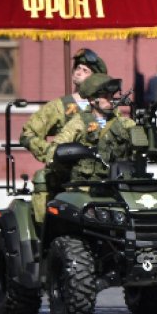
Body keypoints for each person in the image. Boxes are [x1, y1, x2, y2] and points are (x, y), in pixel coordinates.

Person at [19, 48, 108, 223]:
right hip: (68, 172)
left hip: (102, 170)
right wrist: (53, 152)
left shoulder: (105, 105)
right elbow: (28, 133)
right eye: (78, 68)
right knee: (42, 179)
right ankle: (43, 232)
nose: (79, 72)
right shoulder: (60, 106)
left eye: (85, 70)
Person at [44, 73, 136, 187]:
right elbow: (53, 152)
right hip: (86, 188)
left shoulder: (123, 123)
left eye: (111, 96)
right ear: (93, 100)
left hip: (118, 186)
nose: (111, 100)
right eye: (106, 96)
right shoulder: (79, 123)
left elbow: (142, 138)